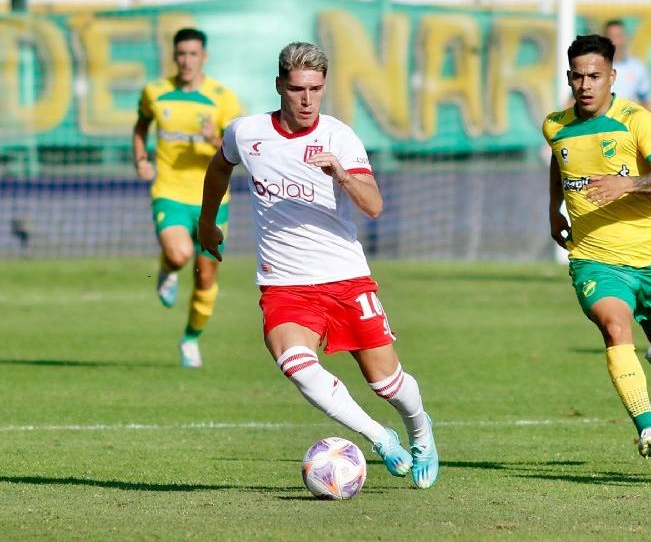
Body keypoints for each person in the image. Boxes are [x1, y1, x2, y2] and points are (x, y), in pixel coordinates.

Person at [197, 42, 439, 488]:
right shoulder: (247, 133)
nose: (307, 100)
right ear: (279, 87)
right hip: (285, 285)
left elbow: (374, 206)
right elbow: (218, 168)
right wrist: (208, 222)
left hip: (345, 279)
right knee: (294, 362)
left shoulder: (338, 136)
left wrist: (341, 175)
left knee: (386, 383)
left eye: (316, 89)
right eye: (297, 89)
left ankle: (421, 429)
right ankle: (379, 438)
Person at [543, 34, 651, 461]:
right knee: (614, 327)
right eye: (577, 76)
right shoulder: (556, 124)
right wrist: (554, 208)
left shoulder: (638, 121)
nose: (585, 84)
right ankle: (648, 429)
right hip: (595, 258)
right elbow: (561, 157)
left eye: (594, 75)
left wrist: (626, 183)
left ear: (612, 76)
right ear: (569, 78)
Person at [133, 27, 243, 368]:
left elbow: (235, 150)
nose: (186, 60)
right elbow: (140, 127)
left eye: (193, 54)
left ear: (204, 57)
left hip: (212, 198)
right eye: (181, 54)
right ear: (174, 56)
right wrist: (141, 160)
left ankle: (190, 339)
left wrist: (214, 140)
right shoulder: (156, 92)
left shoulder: (223, 98)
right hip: (169, 190)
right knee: (180, 254)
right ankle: (167, 269)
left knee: (206, 276)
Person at [603, 19, 651, 113]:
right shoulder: (595, 66)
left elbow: (646, 99)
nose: (614, 41)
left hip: (627, 121)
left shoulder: (637, 67)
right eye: (611, 36)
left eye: (618, 36)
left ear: (625, 38)